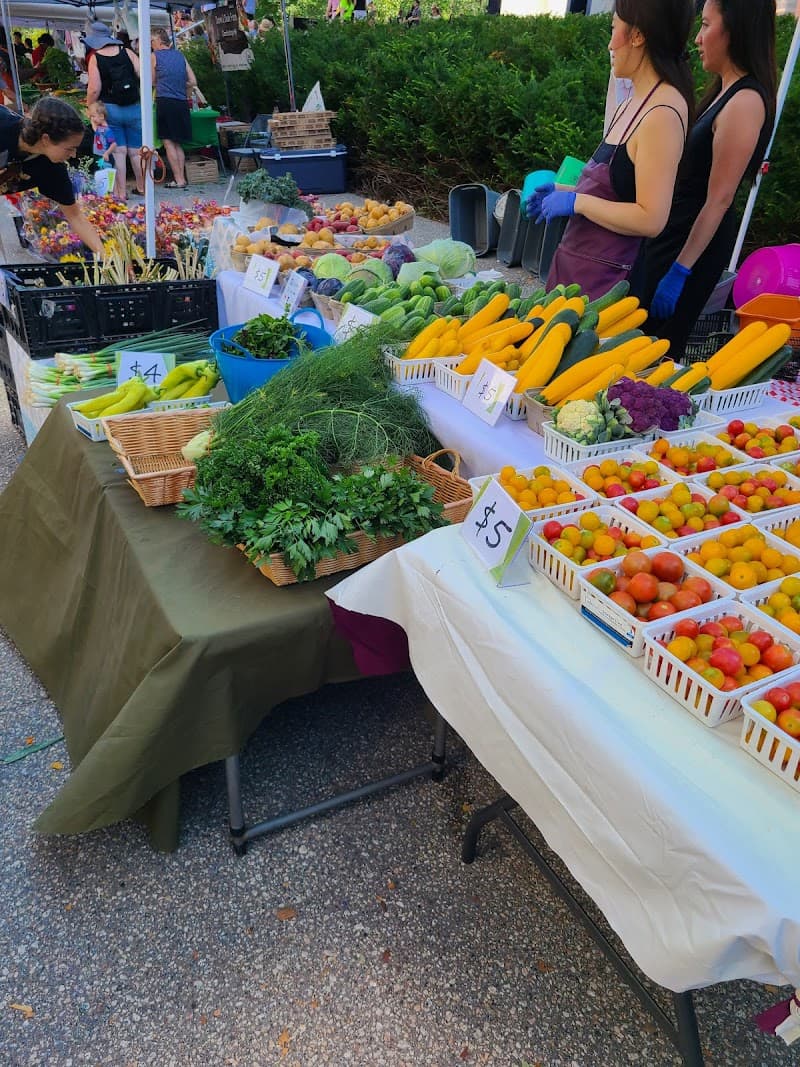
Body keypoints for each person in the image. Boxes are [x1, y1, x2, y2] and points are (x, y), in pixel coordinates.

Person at [633, 0, 777, 354]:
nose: (698, 38)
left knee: (654, 350)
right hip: (671, 236)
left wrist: (680, 271)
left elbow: (720, 199)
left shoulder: (745, 101)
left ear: (733, 32)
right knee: (634, 338)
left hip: (689, 247)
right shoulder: (723, 91)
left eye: (706, 25)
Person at [527, 0, 695, 303]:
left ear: (638, 36)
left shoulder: (662, 112)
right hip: (576, 272)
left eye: (613, 30)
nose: (609, 45)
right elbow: (618, 188)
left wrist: (576, 201)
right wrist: (562, 190)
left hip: (607, 287)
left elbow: (651, 218)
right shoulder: (634, 100)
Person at [0, 96, 103, 253]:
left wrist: (107, 258)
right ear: (46, 139)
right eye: (69, 148)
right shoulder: (4, 125)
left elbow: (75, 216)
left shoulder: (51, 168)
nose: (74, 155)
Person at [85, 21, 142, 200]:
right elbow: (143, 75)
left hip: (111, 109)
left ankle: (121, 192)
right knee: (137, 151)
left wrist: (89, 107)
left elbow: (94, 88)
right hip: (134, 107)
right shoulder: (128, 52)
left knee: (119, 152)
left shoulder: (96, 58)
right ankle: (143, 187)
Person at [151, 27, 205, 189]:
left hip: (165, 101)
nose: (151, 45)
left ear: (159, 41)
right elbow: (193, 81)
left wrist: (162, 83)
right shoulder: (180, 55)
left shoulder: (155, 56)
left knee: (168, 143)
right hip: (181, 102)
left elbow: (151, 81)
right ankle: (182, 178)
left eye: (152, 42)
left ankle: (179, 179)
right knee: (177, 143)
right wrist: (182, 86)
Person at [87, 100, 117, 167]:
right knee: (100, 174)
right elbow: (94, 127)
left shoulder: (107, 130)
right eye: (91, 117)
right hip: (99, 156)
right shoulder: (99, 128)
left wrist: (107, 153)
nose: (92, 119)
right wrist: (92, 118)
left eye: (93, 116)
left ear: (101, 116)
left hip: (105, 157)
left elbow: (114, 144)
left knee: (107, 174)